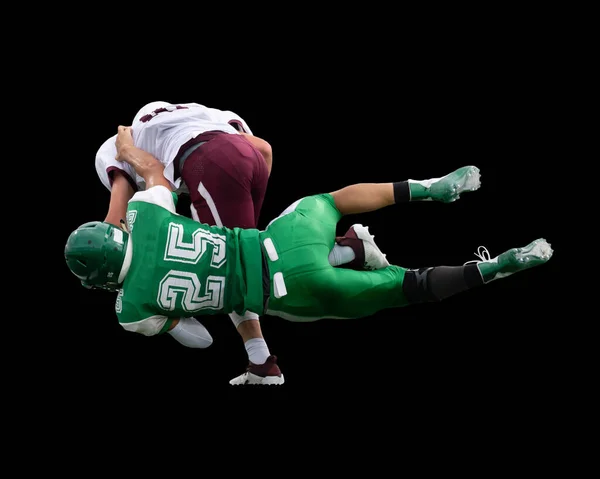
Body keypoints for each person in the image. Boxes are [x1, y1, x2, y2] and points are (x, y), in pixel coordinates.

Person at [65, 126, 553, 385]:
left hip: (294, 294)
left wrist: (169, 319)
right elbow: (152, 172)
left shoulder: (130, 312)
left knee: (411, 288)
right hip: (282, 241)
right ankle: (428, 188)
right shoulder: (146, 216)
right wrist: (127, 146)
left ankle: (492, 268)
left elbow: (200, 342)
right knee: (334, 202)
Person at [93, 102, 388, 384]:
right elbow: (263, 148)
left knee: (237, 273)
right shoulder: (184, 117)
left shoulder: (121, 152)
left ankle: (263, 362)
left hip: (207, 163)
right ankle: (348, 250)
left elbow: (115, 223)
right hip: (250, 156)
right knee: (252, 258)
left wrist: (129, 282)